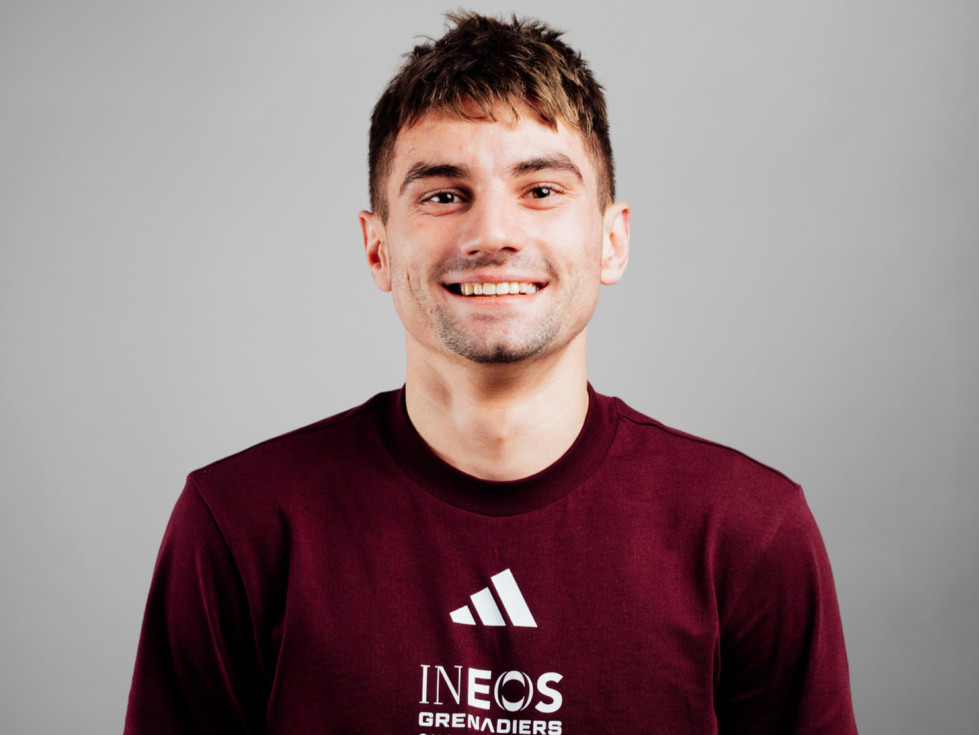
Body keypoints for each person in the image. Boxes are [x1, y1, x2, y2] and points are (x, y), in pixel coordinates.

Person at [125, 11, 857, 734]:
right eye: (444, 195)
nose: (492, 235)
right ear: (378, 249)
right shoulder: (240, 526)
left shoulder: (747, 532)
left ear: (612, 240)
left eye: (541, 190)